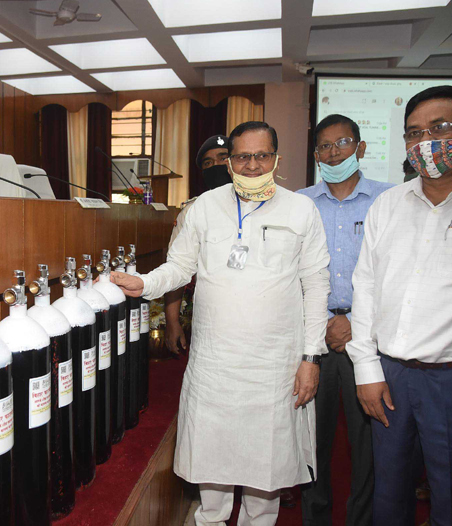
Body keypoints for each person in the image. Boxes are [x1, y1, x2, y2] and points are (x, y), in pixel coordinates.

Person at [111, 121, 331, 526]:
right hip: (216, 362)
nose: (252, 165)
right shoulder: (204, 207)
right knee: (212, 459)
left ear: (277, 159)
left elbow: (317, 286)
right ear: (230, 161)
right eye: (242, 156)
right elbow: (178, 268)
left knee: (267, 465)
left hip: (275, 364)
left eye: (261, 155)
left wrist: (310, 357)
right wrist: (143, 283)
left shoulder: (302, 210)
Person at [347, 85, 452, 526]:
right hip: (391, 378)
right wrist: (367, 369)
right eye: (414, 133)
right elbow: (365, 287)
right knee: (390, 497)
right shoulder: (388, 205)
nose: (426, 141)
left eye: (440, 128)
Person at [297, 114, 393, 526]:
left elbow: (397, 274)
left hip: (368, 337)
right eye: (324, 146)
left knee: (366, 442)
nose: (333, 152)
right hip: (313, 339)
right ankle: (314, 518)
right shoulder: (300, 204)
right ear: (315, 154)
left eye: (342, 143)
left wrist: (354, 320)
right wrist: (321, 324)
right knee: (311, 442)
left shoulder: (389, 201)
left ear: (361, 148)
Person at [165, 135, 230, 355]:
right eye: (208, 163)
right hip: (208, 317)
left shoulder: (260, 206)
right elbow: (176, 269)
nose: (216, 166)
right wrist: (172, 321)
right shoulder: (191, 211)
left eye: (223, 158)